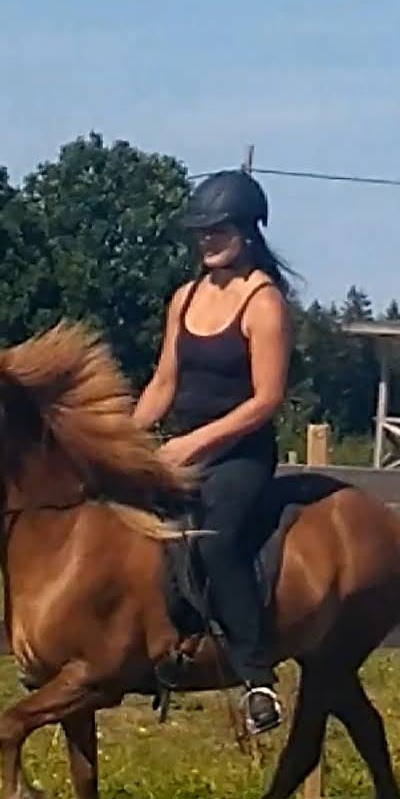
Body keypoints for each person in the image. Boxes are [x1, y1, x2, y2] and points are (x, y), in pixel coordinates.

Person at [133, 168, 295, 736]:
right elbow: (162, 384)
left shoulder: (263, 302)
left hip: (241, 455)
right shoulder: (185, 298)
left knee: (215, 540)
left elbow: (266, 399)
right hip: (180, 447)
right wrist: (125, 440)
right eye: (200, 231)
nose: (206, 239)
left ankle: (256, 677)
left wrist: (196, 442)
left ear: (248, 230)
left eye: (218, 229)